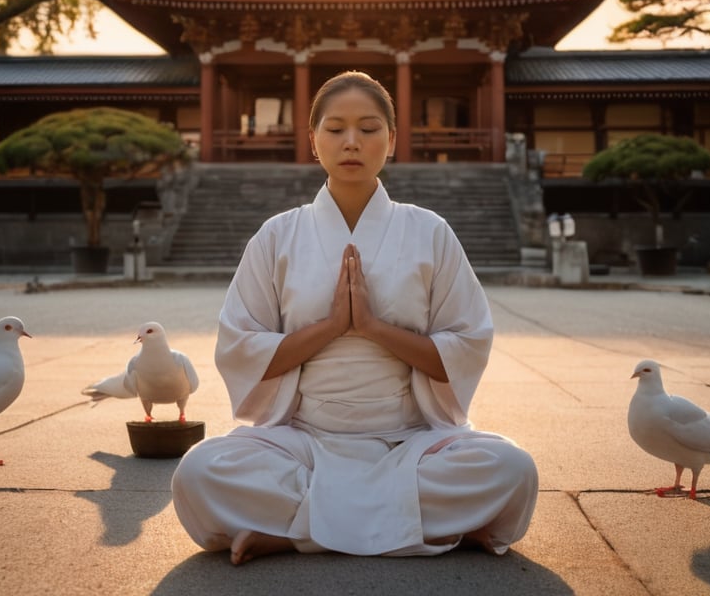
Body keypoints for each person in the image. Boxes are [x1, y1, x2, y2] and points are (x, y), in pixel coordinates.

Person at [171, 70, 537, 565]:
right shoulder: (277, 235)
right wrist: (328, 329)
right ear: (313, 140)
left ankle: (299, 535)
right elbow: (240, 344)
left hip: (410, 440)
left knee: (511, 468)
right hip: (302, 439)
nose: (351, 142)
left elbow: (466, 345)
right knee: (199, 473)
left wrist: (373, 328)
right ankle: (420, 529)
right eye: (335, 128)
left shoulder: (429, 231)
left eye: (368, 129)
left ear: (391, 140)